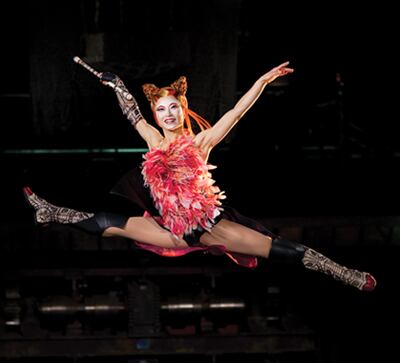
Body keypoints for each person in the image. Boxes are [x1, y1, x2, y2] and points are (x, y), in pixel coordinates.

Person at [23, 61, 376, 291]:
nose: (168, 113)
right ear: (157, 116)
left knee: (276, 248)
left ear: (183, 108)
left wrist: (262, 81)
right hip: (171, 230)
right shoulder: (152, 139)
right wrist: (116, 83)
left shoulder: (200, 142)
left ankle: (346, 274)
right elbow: (131, 111)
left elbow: (236, 113)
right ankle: (49, 212)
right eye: (161, 110)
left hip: (209, 229)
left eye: (173, 107)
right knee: (108, 222)